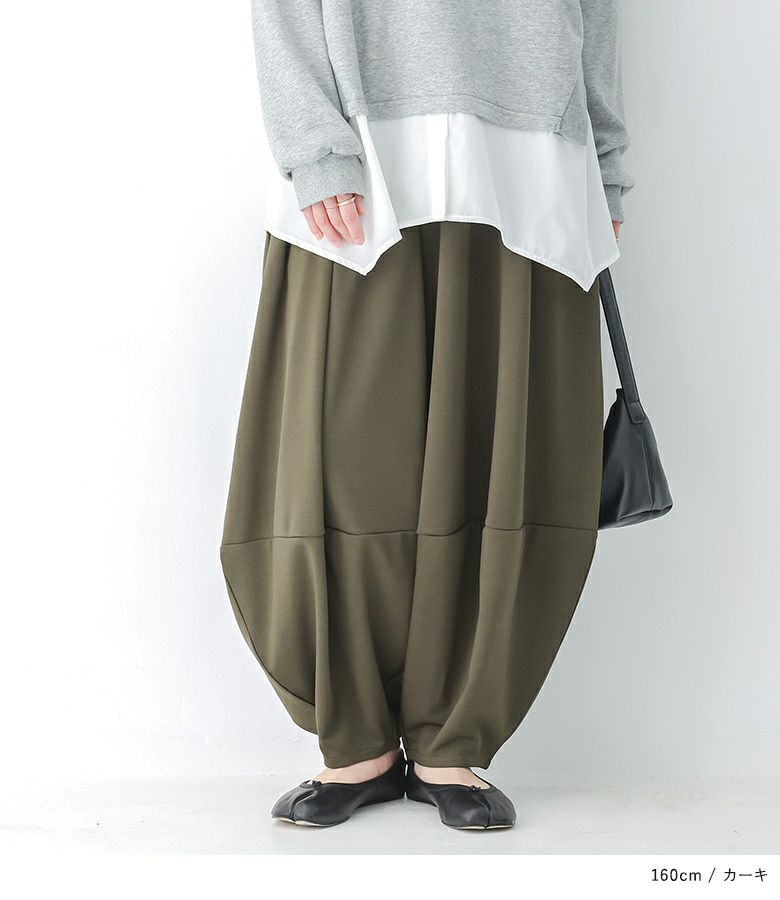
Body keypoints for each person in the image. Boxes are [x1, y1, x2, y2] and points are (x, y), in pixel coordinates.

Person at [220, 0, 633, 831]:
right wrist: (315, 149)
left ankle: (453, 742)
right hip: (367, 149)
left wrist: (606, 163)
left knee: (501, 456)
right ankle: (357, 741)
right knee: (339, 456)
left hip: (531, 161)